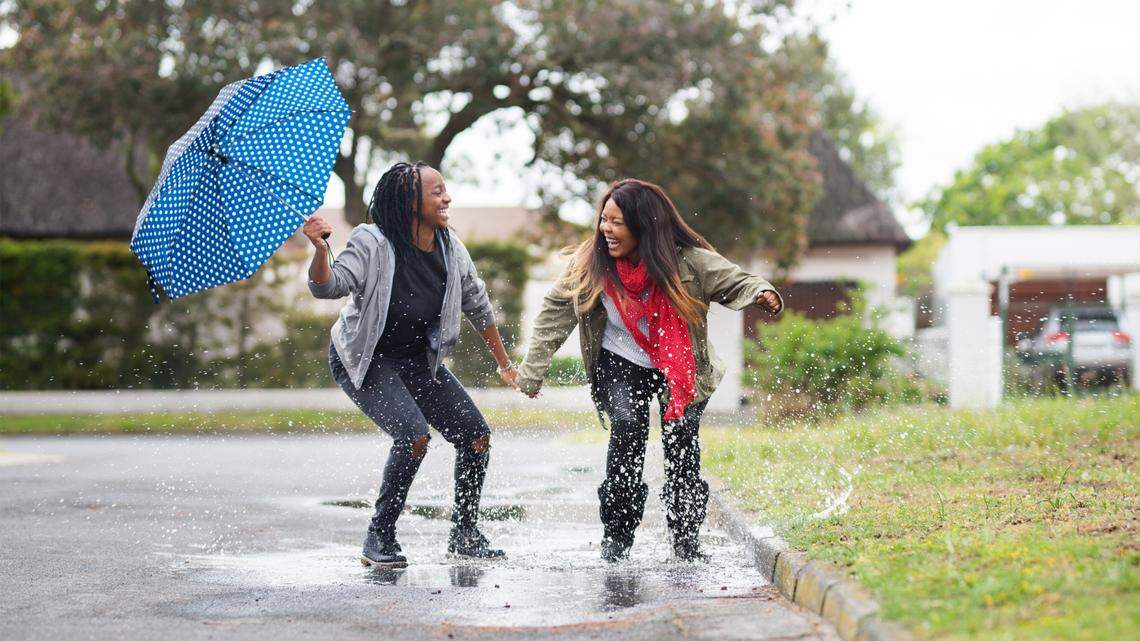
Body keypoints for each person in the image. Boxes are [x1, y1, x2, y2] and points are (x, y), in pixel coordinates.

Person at [516, 178, 782, 562]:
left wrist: (761, 294)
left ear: (644, 226)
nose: (605, 229)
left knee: (681, 442)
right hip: (619, 361)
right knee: (626, 430)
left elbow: (735, 279)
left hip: (679, 364)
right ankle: (617, 539)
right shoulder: (591, 262)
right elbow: (555, 312)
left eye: (617, 222)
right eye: (603, 220)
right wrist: (533, 370)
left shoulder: (688, 261)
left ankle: (686, 540)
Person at [304, 161, 518, 568]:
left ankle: (465, 534)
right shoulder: (371, 241)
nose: (447, 198)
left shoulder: (450, 245)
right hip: (364, 360)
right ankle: (378, 537)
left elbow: (477, 302)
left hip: (419, 361)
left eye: (445, 190)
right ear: (410, 200)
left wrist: (504, 364)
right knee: (414, 437)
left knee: (475, 436)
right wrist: (319, 251)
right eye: (437, 192)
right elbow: (328, 286)